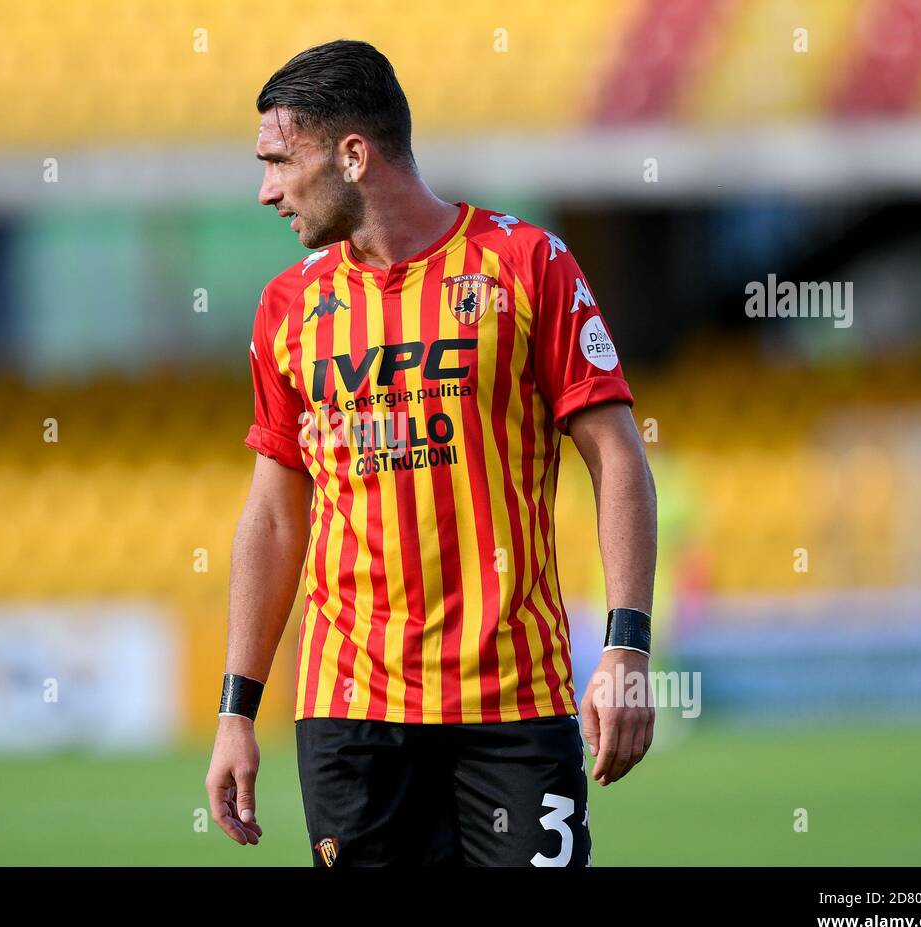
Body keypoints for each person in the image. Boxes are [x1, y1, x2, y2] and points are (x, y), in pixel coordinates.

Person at [205, 40, 657, 866]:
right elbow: (274, 517)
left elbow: (618, 459)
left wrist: (626, 646)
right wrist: (238, 709)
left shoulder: (527, 265)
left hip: (514, 702)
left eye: (279, 161)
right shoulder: (289, 308)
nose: (266, 190)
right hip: (352, 715)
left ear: (352, 154)